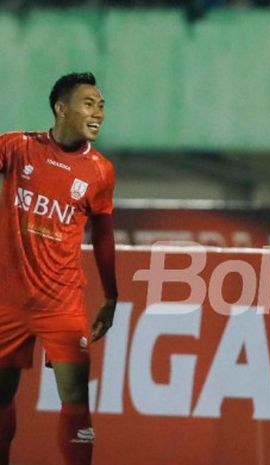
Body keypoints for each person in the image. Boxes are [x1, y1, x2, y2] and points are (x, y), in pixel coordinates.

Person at [0, 72, 117, 465]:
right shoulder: (17, 147)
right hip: (9, 300)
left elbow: (103, 236)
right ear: (60, 108)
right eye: (89, 103)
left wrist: (112, 295)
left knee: (76, 399)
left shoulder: (100, 171)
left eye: (101, 105)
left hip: (62, 301)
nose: (98, 112)